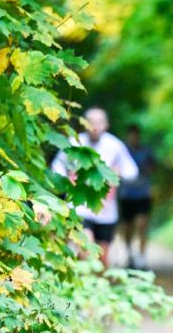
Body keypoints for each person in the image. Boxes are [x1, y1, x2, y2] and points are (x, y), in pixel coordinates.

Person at [50, 107, 138, 269]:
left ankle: (98, 286)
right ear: (84, 124)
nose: (95, 126)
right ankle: (82, 282)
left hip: (105, 209)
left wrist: (117, 173)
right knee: (85, 245)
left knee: (102, 257)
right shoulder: (74, 143)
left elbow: (132, 171)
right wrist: (66, 178)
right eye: (91, 122)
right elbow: (57, 165)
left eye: (99, 122)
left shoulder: (115, 145)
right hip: (80, 206)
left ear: (106, 124)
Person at [119, 124, 156, 270]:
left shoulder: (146, 151)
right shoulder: (123, 151)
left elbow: (154, 167)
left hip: (143, 194)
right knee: (127, 227)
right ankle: (129, 254)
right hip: (126, 194)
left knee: (142, 224)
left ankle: (141, 256)